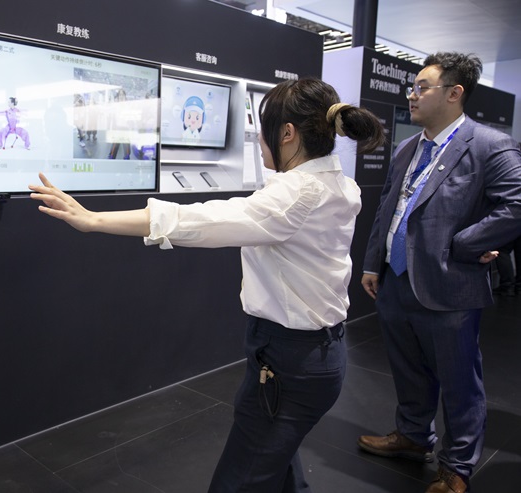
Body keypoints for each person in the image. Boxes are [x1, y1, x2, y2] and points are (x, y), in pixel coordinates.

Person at [30, 77, 385, 492]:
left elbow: (201, 220)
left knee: (241, 479)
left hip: (291, 362)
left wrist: (93, 220)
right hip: (309, 355)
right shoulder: (338, 184)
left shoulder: (296, 195)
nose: (260, 140)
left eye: (264, 129)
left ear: (287, 133)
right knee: (276, 463)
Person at [358, 52, 521, 493]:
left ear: (454, 93)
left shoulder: (489, 145)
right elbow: (387, 208)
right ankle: (413, 435)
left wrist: (466, 244)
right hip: (396, 280)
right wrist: (373, 262)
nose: (411, 95)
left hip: (451, 284)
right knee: (407, 367)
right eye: (411, 87)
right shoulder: (408, 148)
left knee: (459, 379)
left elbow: (516, 205)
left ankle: (457, 466)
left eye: (421, 87)